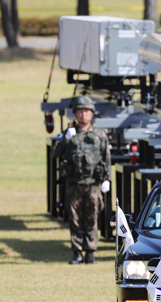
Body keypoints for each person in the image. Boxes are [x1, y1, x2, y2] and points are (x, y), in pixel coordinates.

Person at [52, 96, 111, 265]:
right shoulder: (69, 133)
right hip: (73, 182)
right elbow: (55, 153)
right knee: (74, 217)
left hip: (92, 183)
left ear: (91, 114)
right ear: (75, 114)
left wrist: (107, 179)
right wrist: (65, 140)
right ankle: (77, 251)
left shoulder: (99, 135)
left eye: (86, 111)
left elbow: (106, 158)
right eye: (80, 111)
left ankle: (90, 251)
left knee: (92, 216)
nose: (83, 114)